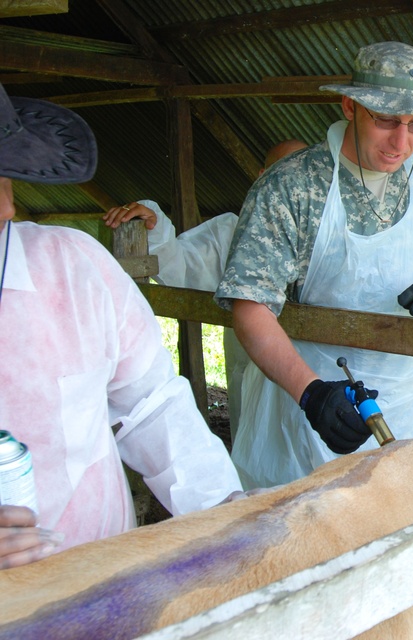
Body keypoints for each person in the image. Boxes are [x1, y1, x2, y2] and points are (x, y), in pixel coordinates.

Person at [215, 41, 413, 489]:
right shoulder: (295, 185)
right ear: (350, 105)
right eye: (386, 121)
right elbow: (250, 304)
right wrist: (311, 393)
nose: (401, 143)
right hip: (320, 411)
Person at [0, 82, 243, 570]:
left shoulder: (74, 266)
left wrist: (224, 513)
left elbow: (151, 405)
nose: (6, 207)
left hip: (97, 575)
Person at [100, 139, 309, 437]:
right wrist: (154, 226)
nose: (293, 185)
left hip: (319, 391)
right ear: (263, 178)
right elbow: (181, 269)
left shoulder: (339, 238)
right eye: (282, 174)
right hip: (252, 393)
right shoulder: (231, 234)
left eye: (303, 174)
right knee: (260, 475)